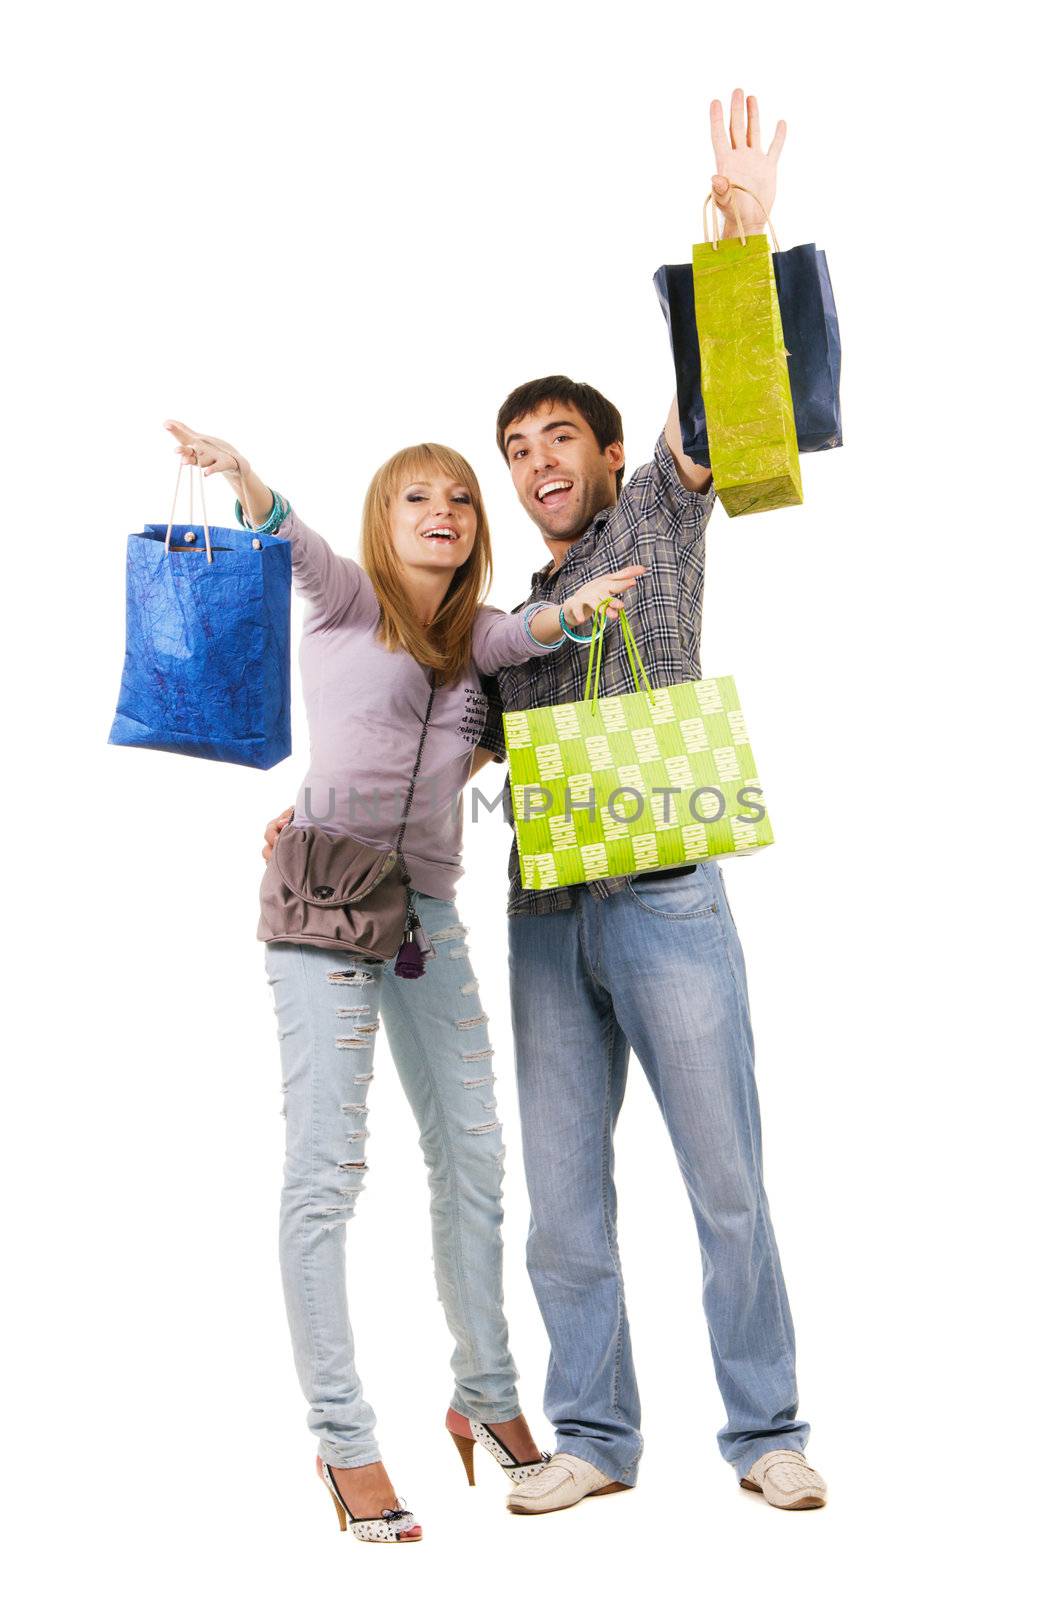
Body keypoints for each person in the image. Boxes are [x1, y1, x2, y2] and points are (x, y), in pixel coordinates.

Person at [164, 418, 643, 1544]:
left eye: (463, 499)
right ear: (387, 520)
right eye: (418, 496)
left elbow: (530, 632)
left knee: (474, 1156)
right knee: (328, 1171)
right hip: (323, 907)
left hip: (424, 914)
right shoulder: (339, 599)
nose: (444, 511)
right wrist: (242, 477)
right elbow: (285, 533)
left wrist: (572, 613)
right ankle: (343, 1439)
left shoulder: (474, 638)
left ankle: (484, 1393)